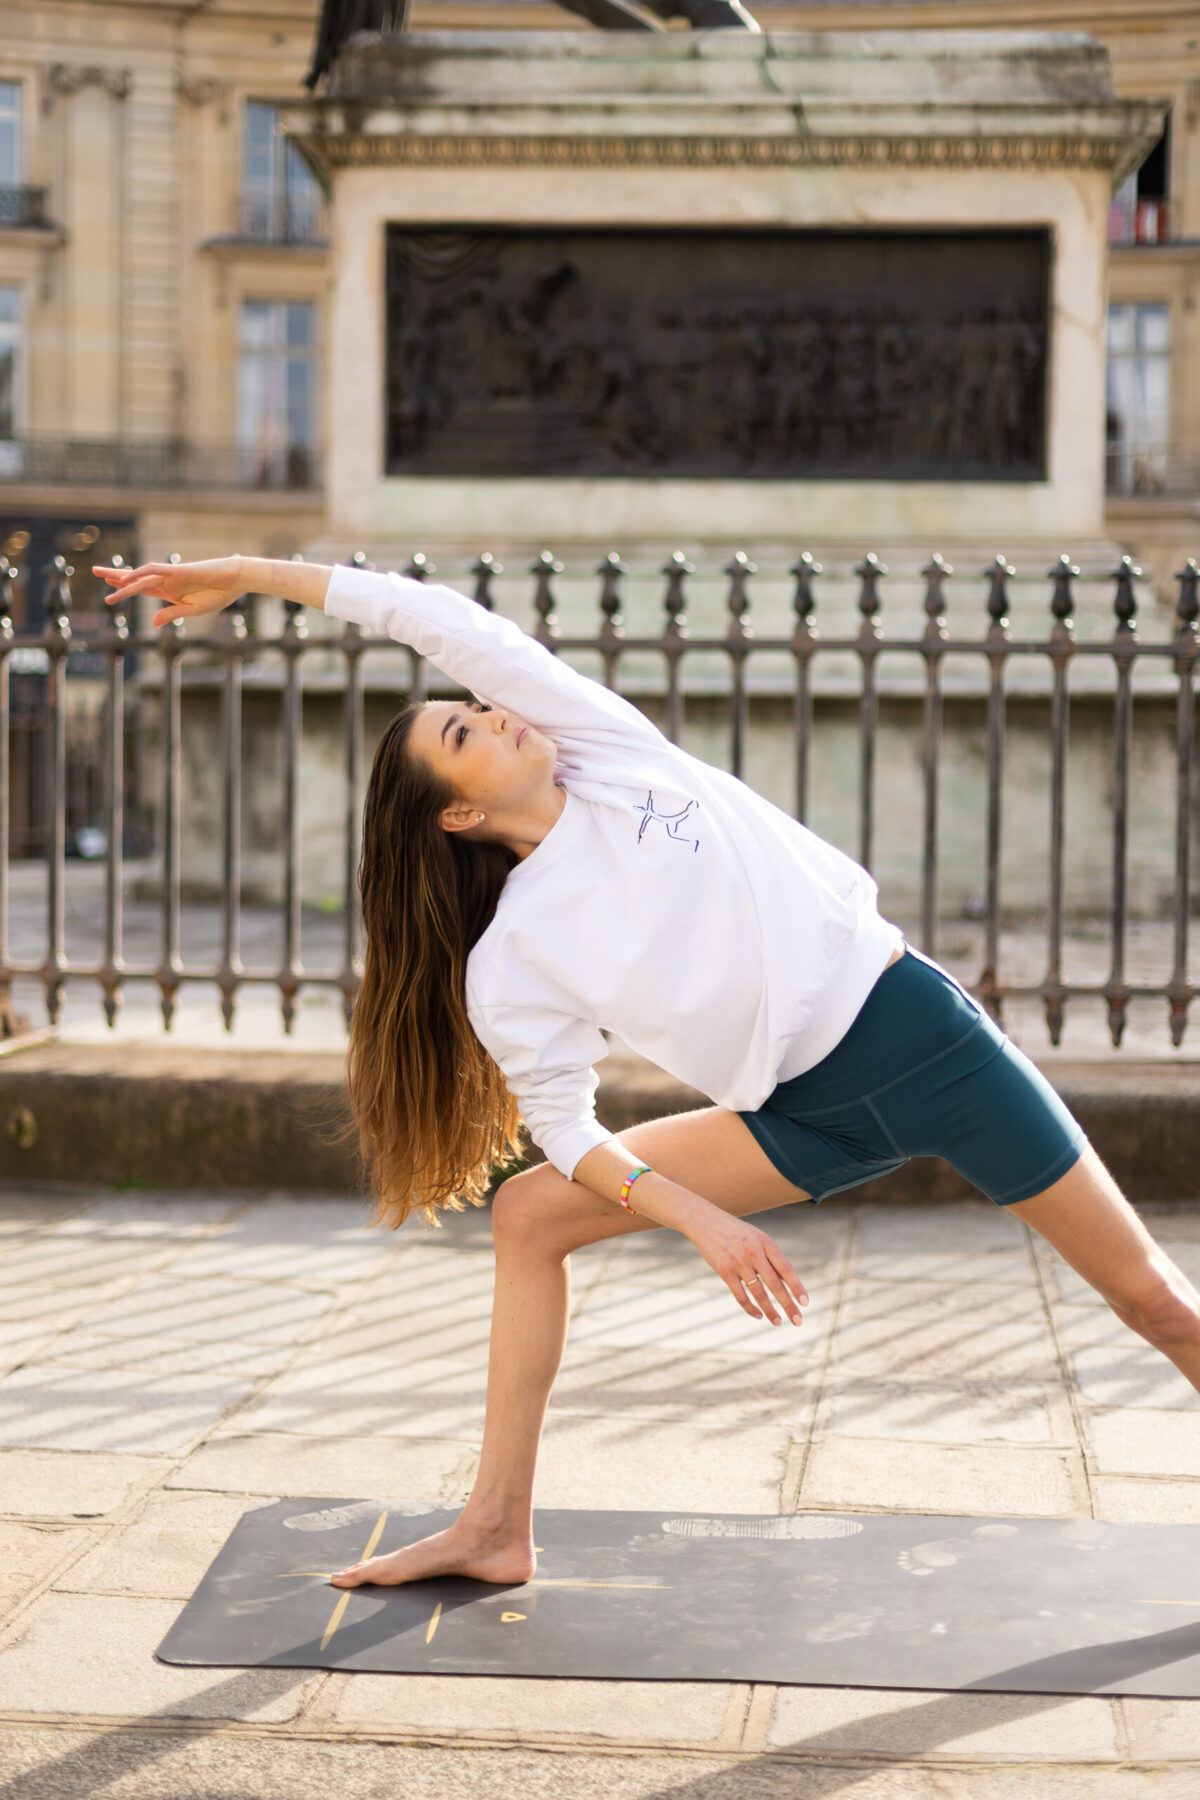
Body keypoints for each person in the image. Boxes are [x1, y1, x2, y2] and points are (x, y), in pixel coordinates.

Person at [97, 554, 1200, 1594]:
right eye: (465, 730)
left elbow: (435, 619)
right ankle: (494, 1526)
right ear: (460, 813)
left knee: (1157, 1305)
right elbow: (567, 1131)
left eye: (475, 704)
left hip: (925, 1044)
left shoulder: (608, 752)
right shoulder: (509, 960)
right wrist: (697, 1219)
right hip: (799, 1115)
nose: (494, 710)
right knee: (531, 1213)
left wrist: (250, 576)